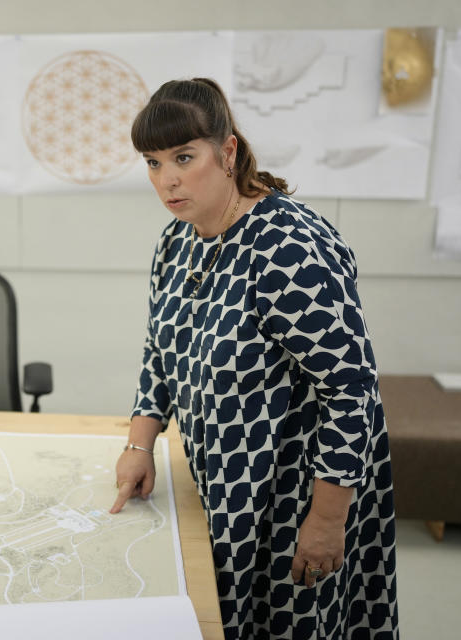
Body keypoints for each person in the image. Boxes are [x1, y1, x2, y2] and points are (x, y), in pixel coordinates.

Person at [109, 78, 399, 639]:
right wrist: (139, 442)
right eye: (151, 162)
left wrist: (327, 519)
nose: (165, 179)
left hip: (296, 494)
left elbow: (351, 389)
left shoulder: (288, 248)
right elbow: (159, 350)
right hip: (222, 479)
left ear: (228, 152)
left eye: (183, 157)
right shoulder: (179, 239)